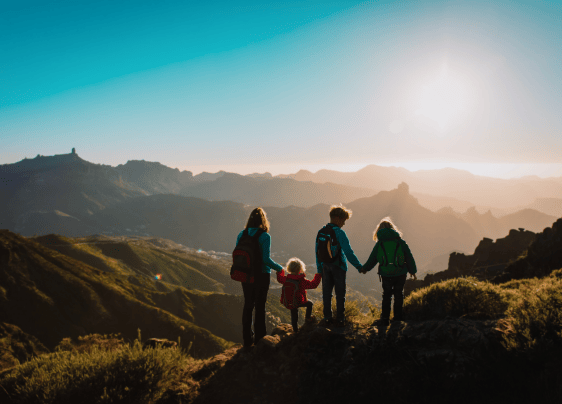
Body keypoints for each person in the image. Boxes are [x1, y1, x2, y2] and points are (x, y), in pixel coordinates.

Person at [236, 207, 283, 348]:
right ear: (263, 220)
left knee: (248, 305)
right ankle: (260, 339)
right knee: (260, 306)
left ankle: (246, 339)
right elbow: (266, 259)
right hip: (261, 275)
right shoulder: (264, 236)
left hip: (245, 274)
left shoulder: (242, 234)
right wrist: (280, 268)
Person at [361, 217, 417, 326]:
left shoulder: (380, 244)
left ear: (379, 230)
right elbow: (409, 257)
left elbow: (373, 259)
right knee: (398, 295)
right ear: (392, 228)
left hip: (386, 273)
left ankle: (385, 319)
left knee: (386, 295)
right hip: (400, 273)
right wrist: (412, 271)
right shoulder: (400, 242)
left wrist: (365, 269)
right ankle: (397, 319)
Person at [316, 205, 363, 327]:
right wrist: (359, 266)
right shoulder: (340, 233)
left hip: (325, 266)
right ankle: (340, 319)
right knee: (340, 294)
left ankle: (327, 318)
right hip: (339, 267)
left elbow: (317, 252)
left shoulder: (321, 232)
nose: (344, 224)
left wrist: (319, 269)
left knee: (326, 293)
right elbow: (348, 252)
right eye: (343, 220)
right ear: (337, 218)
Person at [277, 257, 322, 332]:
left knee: (294, 314)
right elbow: (313, 285)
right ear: (300, 269)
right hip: (299, 301)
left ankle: (295, 330)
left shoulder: (286, 279)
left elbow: (279, 279)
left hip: (289, 301)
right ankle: (308, 318)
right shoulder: (301, 280)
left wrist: (280, 271)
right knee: (310, 304)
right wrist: (318, 275)